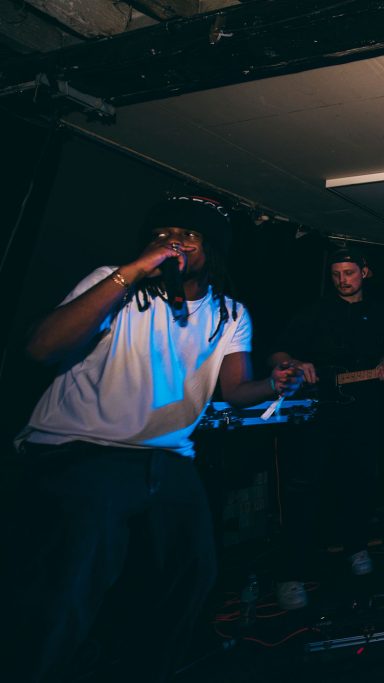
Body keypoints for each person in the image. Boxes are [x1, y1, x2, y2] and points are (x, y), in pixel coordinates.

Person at [3, 195, 302, 682]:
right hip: (82, 449)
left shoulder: (229, 313)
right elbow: (41, 348)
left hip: (167, 459)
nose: (173, 242)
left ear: (212, 248)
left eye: (188, 234)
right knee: (70, 583)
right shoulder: (113, 282)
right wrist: (132, 272)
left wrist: (275, 383)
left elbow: (235, 391)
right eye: (163, 234)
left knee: (191, 575)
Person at [268, 247, 384, 604]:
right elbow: (277, 351)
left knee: (358, 484)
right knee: (305, 491)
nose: (342, 280)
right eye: (337, 274)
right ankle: (291, 573)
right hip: (317, 416)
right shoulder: (315, 311)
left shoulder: (380, 313)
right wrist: (295, 363)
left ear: (364, 273)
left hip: (362, 415)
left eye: (349, 273)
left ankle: (356, 549)